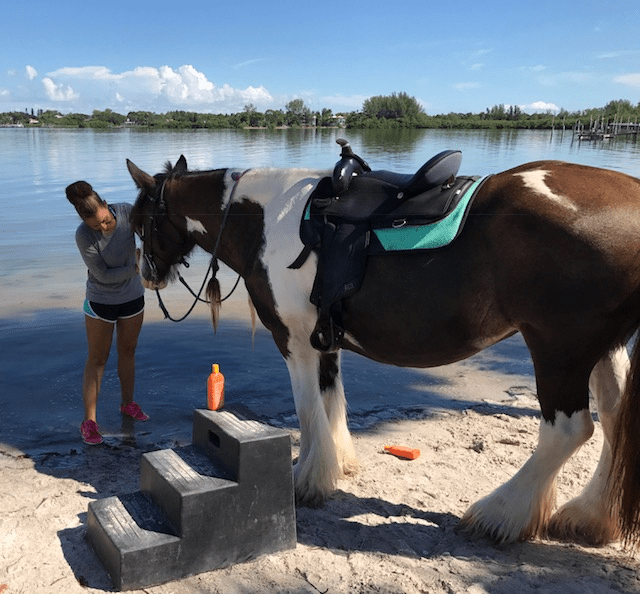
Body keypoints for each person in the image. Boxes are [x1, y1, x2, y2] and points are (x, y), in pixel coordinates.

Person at [66, 180, 148, 445]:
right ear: (83, 221)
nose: (102, 228)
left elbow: (151, 229)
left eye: (104, 221)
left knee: (128, 351)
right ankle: (89, 422)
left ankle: (128, 404)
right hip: (101, 301)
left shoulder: (125, 212)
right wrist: (136, 269)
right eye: (95, 226)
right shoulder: (83, 235)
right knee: (97, 359)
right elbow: (102, 275)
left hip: (133, 298)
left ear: (105, 205)